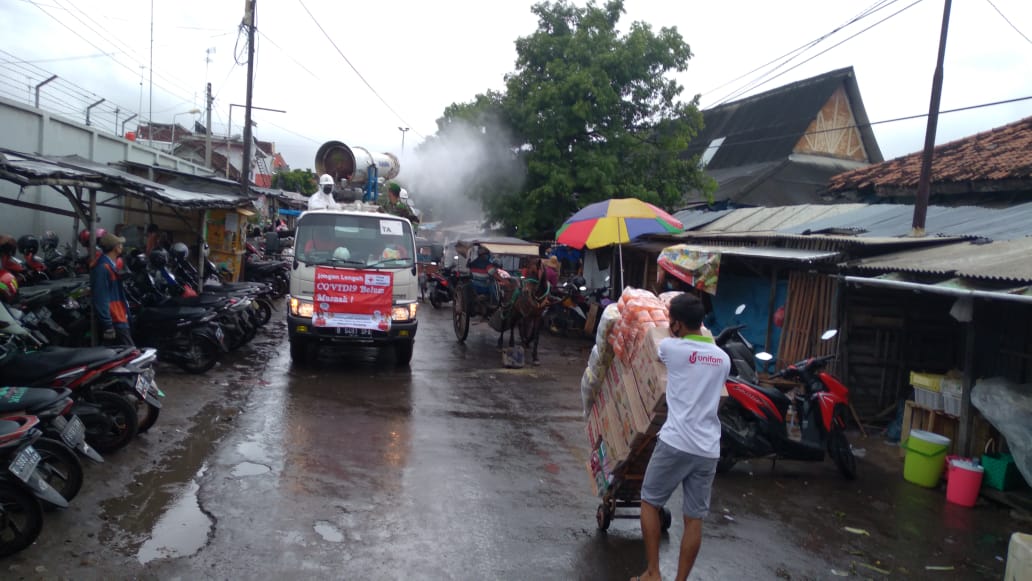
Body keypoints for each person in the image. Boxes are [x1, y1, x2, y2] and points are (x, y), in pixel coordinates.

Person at [632, 293, 729, 581]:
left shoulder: (673, 349)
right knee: (693, 518)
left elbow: (655, 347)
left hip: (676, 442)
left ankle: (653, 573)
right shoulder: (723, 358)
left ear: (675, 324)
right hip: (708, 448)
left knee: (649, 502)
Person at [91, 232, 134, 346]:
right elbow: (101, 297)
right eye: (120, 244)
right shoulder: (103, 268)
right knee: (130, 354)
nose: (121, 246)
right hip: (115, 319)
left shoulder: (110, 265)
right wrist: (108, 325)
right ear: (115, 247)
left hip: (118, 317)